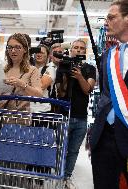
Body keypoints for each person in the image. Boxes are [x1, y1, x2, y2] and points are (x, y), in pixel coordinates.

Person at [90, 1, 128, 189]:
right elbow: (106, 95)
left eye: (112, 18)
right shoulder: (108, 56)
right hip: (104, 137)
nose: (106, 22)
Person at [56, 39, 96, 188]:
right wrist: (66, 76)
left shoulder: (90, 69)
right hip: (64, 115)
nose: (78, 50)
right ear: (70, 50)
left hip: (80, 118)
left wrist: (79, 76)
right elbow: (61, 92)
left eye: (81, 48)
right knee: (61, 149)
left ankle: (66, 177)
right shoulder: (62, 66)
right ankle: (58, 175)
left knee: (73, 151)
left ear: (84, 52)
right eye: (76, 48)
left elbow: (88, 89)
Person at [0, 33, 42, 111]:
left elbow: (39, 95)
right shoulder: (2, 69)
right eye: (10, 47)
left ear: (25, 50)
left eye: (17, 47)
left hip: (20, 119)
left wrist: (22, 84)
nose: (13, 51)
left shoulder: (32, 70)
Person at [30, 44, 56, 113]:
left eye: (42, 53)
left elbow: (40, 87)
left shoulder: (50, 69)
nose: (39, 55)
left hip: (43, 110)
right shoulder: (28, 68)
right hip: (28, 109)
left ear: (47, 56)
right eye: (37, 52)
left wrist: (25, 84)